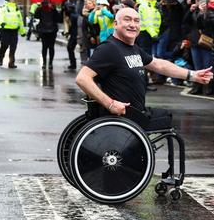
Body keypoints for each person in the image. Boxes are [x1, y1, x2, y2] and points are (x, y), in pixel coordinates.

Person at [76, 7, 212, 130]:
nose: (132, 25)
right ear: (116, 24)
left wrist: (193, 75)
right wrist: (110, 104)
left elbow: (159, 65)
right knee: (168, 124)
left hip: (136, 115)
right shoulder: (109, 48)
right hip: (122, 119)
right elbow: (82, 78)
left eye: (136, 21)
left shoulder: (133, 48)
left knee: (165, 118)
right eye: (127, 20)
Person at [0, 0, 25, 68]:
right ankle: (1, 57)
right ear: (8, 0)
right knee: (4, 45)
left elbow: (20, 21)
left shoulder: (16, 9)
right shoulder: (4, 8)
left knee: (13, 47)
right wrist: (1, 23)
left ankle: (11, 63)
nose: (12, 0)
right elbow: (0, 16)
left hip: (14, 31)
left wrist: (22, 31)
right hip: (5, 30)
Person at [34, 0, 62, 69]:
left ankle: (48, 63)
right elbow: (36, 16)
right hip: (46, 30)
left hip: (50, 30)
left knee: (48, 47)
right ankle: (46, 63)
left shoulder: (52, 10)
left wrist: (54, 9)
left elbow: (58, 19)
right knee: (47, 47)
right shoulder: (41, 9)